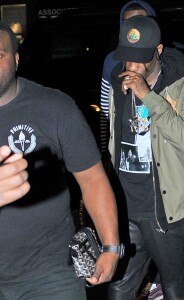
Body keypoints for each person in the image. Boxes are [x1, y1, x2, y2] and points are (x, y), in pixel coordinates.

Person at [0, 22, 121, 299]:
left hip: (47, 272)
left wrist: (111, 246)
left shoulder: (54, 108)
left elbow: (91, 178)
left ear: (16, 60)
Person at [107, 15, 184, 300]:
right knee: (119, 288)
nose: (132, 67)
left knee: (174, 289)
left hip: (166, 212)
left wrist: (148, 96)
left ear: (158, 51)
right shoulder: (117, 82)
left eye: (140, 59)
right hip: (127, 210)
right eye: (127, 58)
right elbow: (115, 143)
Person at [99, 0, 156, 156]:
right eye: (128, 23)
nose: (134, 28)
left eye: (141, 21)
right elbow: (106, 113)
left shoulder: (168, 58)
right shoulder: (113, 60)